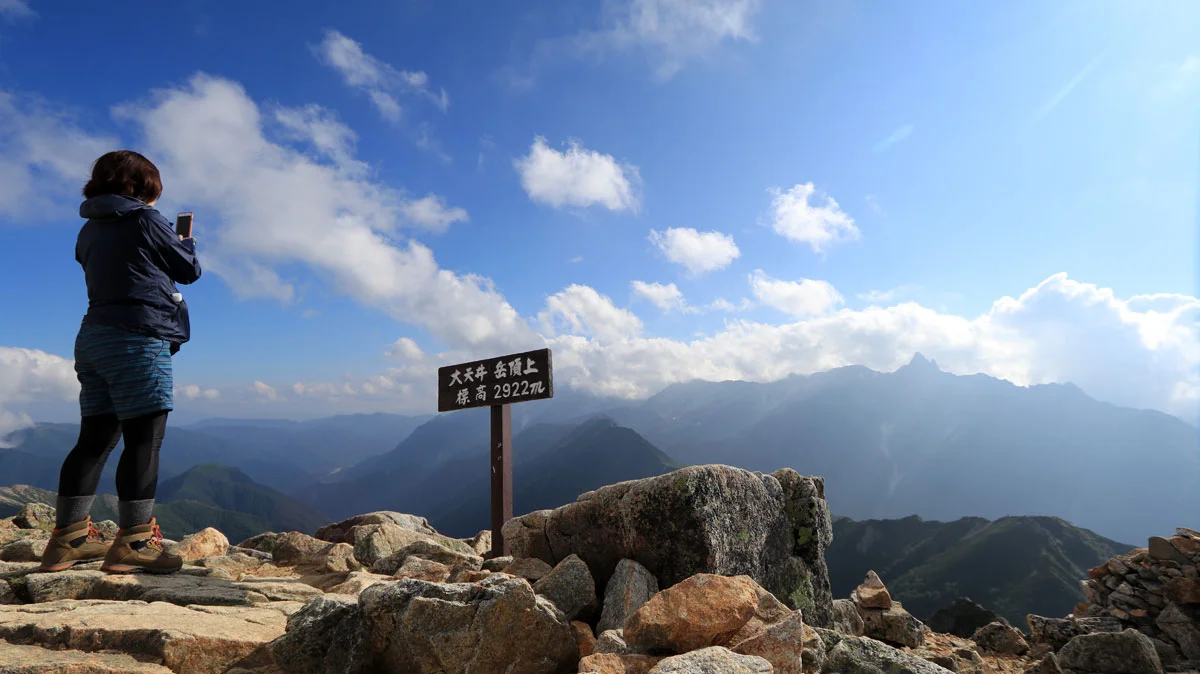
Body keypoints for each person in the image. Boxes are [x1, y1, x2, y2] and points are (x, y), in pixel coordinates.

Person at [39, 150, 201, 574]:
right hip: (137, 335)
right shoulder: (147, 220)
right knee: (144, 439)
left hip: (93, 337)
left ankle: (68, 539)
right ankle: (135, 542)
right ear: (143, 186)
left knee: (95, 439)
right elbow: (187, 271)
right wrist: (184, 240)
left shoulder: (88, 230)